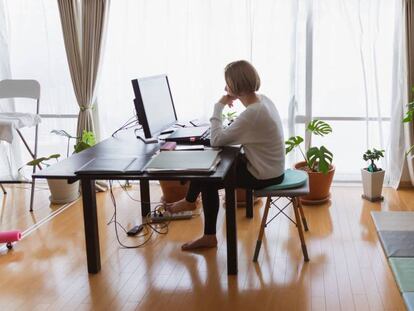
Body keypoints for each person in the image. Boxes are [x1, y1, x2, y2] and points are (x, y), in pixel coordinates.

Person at [167, 60, 285, 251]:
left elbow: (216, 140)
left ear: (236, 87)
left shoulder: (252, 113)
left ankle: (207, 234)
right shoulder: (263, 100)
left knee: (209, 179)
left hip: (264, 174)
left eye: (227, 83)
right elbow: (234, 134)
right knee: (210, 164)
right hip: (269, 167)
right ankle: (190, 202)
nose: (225, 87)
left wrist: (219, 106)